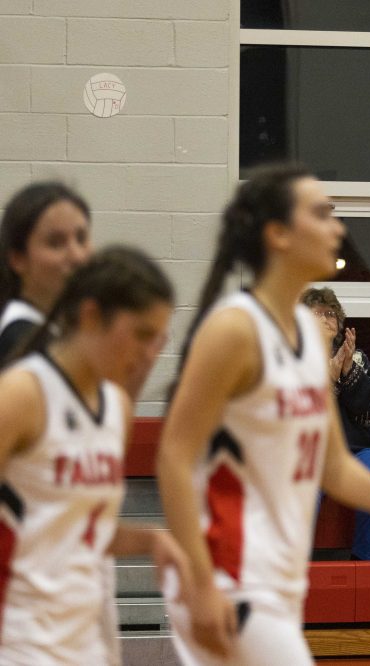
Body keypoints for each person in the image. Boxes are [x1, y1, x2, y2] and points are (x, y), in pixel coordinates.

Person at [157, 163, 370, 665]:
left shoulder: (312, 355)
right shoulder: (235, 331)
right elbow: (177, 458)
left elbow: (331, 458)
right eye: (320, 216)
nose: (337, 230)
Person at [0, 246, 190, 664]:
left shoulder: (115, 407)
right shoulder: (21, 394)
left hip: (89, 637)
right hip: (23, 640)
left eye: (157, 339)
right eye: (141, 335)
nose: (149, 354)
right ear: (89, 316)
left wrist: (152, 540)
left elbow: (88, 529)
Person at [301, 287, 370, 560]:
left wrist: (348, 373)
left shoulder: (354, 357)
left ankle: (365, 560)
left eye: (330, 313)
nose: (325, 319)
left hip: (353, 451)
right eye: (317, 313)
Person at [0, 182, 91, 362]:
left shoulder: (56, 329)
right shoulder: (21, 341)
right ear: (18, 259)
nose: (77, 256)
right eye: (55, 243)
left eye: (81, 239)